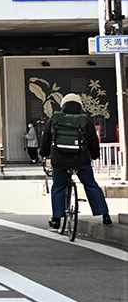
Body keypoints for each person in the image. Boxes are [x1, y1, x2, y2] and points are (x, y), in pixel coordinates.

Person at [39, 93, 112, 228]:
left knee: (58, 187)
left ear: (63, 105)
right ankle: (105, 215)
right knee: (90, 184)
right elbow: (93, 141)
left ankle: (56, 218)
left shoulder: (54, 119)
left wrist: (43, 153)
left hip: (60, 161)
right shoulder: (85, 120)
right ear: (80, 105)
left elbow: (46, 140)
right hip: (81, 161)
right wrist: (95, 155)